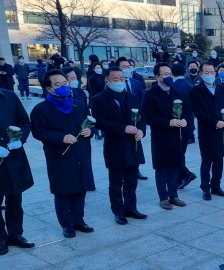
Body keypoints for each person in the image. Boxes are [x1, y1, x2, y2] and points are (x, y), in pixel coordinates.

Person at [30, 70, 95, 238]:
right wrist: (61, 138)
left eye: (64, 83)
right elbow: (39, 132)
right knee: (64, 191)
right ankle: (67, 224)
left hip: (81, 152)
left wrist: (89, 131)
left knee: (81, 189)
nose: (63, 87)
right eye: (57, 85)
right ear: (49, 89)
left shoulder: (79, 104)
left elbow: (88, 124)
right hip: (59, 155)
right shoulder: (41, 109)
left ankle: (79, 220)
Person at [92, 68, 147, 224]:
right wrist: (123, 128)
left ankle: (131, 208)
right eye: (115, 79)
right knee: (116, 183)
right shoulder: (99, 99)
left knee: (131, 181)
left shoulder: (131, 97)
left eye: (122, 78)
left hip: (133, 144)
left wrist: (141, 131)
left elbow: (141, 117)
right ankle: (118, 211)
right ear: (107, 82)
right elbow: (100, 122)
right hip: (115, 146)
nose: (120, 82)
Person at [142, 63, 188, 210]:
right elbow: (148, 117)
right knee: (161, 170)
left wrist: (184, 119)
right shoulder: (150, 94)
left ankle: (173, 195)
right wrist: (168, 122)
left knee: (174, 168)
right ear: (157, 77)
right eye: (166, 74)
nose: (169, 77)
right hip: (160, 137)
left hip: (176, 136)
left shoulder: (175, 92)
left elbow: (184, 110)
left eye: (170, 74)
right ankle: (163, 198)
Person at [0, 88, 35, 254]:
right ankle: (1, 236)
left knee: (15, 198)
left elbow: (24, 122)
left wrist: (20, 139)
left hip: (13, 156)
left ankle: (16, 233)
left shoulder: (9, 96)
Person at [189, 61, 224, 200]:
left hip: (221, 130)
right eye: (206, 72)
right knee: (207, 161)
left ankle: (216, 186)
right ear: (201, 74)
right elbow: (198, 112)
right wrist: (214, 122)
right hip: (207, 130)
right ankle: (205, 188)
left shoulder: (221, 89)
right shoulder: (195, 91)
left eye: (212, 72)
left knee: (219, 159)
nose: (210, 75)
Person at [170, 62, 197, 189]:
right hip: (189, 123)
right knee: (181, 153)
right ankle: (180, 178)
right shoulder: (189, 85)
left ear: (171, 74)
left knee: (175, 153)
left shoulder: (172, 87)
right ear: (185, 73)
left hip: (177, 124)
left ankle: (185, 174)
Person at [87, 62, 106, 140]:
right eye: (97, 68)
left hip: (105, 99)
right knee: (95, 117)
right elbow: (92, 90)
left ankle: (103, 132)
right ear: (94, 69)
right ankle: (96, 133)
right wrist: (100, 96)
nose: (99, 69)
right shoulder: (91, 78)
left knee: (104, 116)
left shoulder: (104, 77)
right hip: (95, 99)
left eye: (100, 67)